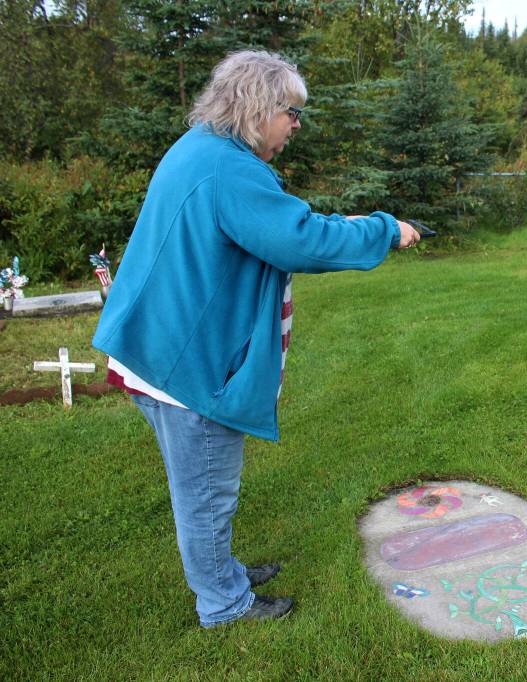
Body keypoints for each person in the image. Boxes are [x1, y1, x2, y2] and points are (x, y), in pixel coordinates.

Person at [93, 50, 421, 627]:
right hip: (187, 365)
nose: (296, 125)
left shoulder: (203, 149)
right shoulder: (229, 169)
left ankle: (225, 573)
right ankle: (224, 602)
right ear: (257, 108)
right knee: (207, 495)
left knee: (206, 486)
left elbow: (279, 226)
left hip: (159, 346)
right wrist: (384, 229)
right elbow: (301, 239)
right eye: (291, 112)